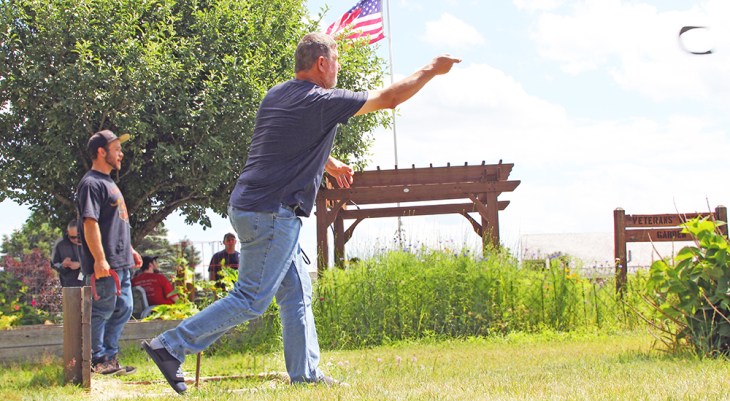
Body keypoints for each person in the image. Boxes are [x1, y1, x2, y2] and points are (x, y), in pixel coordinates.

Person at [142, 32, 460, 394]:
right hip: (273, 212)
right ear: (322, 63)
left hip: (252, 205)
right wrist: (432, 68)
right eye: (337, 61)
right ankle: (170, 346)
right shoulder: (320, 101)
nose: (339, 69)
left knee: (296, 290)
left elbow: (290, 144)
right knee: (251, 298)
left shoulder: (277, 95)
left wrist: (331, 163)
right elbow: (389, 99)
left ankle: (306, 373)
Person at [76, 129, 143, 376]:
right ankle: (97, 360)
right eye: (116, 149)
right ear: (101, 152)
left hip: (121, 261)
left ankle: (111, 358)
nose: (121, 154)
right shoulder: (91, 183)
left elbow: (114, 223)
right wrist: (100, 259)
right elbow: (90, 223)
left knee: (124, 307)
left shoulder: (110, 183)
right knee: (102, 310)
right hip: (105, 264)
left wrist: (131, 249)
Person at [51, 219, 85, 287]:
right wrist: (63, 265)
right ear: (68, 233)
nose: (76, 239)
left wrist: (80, 264)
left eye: (78, 237)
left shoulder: (90, 241)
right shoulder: (60, 244)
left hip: (89, 283)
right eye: (72, 237)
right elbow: (54, 263)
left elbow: (97, 260)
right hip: (68, 284)